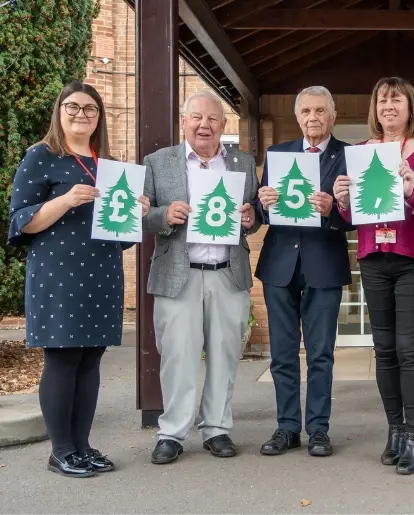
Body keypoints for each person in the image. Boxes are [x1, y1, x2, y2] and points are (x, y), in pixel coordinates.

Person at [7, 81, 150, 477]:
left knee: (91, 359)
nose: (81, 115)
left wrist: (133, 212)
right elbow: (21, 222)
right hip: (58, 273)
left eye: (90, 109)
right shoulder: (40, 157)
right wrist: (66, 199)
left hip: (102, 270)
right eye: (72, 107)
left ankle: (83, 447)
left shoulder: (109, 165)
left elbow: (119, 238)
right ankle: (61, 450)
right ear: (59, 111)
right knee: (63, 357)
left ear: (99, 117)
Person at [142, 90, 259, 464]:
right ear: (184, 122)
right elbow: (140, 214)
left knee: (225, 354)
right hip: (179, 274)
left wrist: (250, 218)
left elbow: (252, 214)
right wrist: (163, 216)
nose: (204, 125)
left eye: (212, 119)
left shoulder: (243, 162)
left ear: (224, 125)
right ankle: (173, 433)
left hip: (227, 273)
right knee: (178, 356)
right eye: (196, 117)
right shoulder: (158, 163)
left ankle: (217, 429)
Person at [333, 77, 414, 475]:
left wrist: (411, 189)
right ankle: (395, 428)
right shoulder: (361, 152)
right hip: (374, 257)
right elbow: (350, 218)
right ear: (374, 108)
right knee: (383, 348)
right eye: (382, 100)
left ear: (410, 106)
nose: (388, 107)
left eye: (396, 100)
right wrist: (343, 201)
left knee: (408, 347)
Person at [255, 86, 353, 458]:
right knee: (281, 352)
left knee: (320, 354)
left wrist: (334, 210)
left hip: (324, 265)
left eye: (319, 111)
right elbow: (263, 210)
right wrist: (262, 204)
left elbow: (358, 218)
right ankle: (286, 427)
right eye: (306, 112)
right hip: (279, 265)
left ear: (333, 115)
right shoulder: (278, 154)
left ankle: (318, 429)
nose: (312, 118)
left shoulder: (348, 156)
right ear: (298, 117)